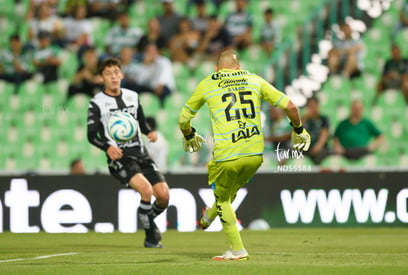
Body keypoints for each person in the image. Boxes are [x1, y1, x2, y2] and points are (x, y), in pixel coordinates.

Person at [178, 50, 310, 260]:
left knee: (223, 200)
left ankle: (237, 250)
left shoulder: (209, 82)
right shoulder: (253, 79)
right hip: (256, 154)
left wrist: (188, 134)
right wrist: (299, 130)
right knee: (230, 192)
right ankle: (207, 216)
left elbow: (184, 118)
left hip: (227, 155)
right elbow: (291, 106)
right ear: (238, 67)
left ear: (217, 69)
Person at [87, 58, 169, 248]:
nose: (113, 76)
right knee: (147, 190)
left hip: (141, 154)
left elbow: (140, 122)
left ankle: (146, 217)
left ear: (122, 75)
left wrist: (149, 132)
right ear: (101, 78)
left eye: (116, 72)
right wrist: (107, 147)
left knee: (164, 196)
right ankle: (151, 237)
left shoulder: (133, 96)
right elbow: (91, 135)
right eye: (108, 73)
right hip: (120, 158)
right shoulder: (96, 103)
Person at [302, 97, 330, 165]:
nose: (311, 109)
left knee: (320, 155)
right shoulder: (304, 119)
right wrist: (304, 119)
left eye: (313, 106)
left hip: (320, 148)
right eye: (309, 106)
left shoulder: (323, 119)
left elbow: (324, 135)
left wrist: (318, 146)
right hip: (305, 148)